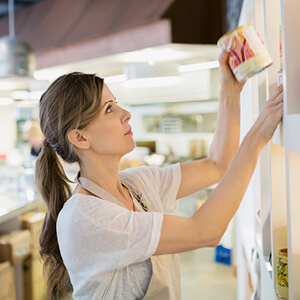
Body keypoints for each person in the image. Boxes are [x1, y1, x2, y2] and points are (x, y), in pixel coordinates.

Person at [35, 50, 283, 300]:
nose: (126, 113)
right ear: (80, 137)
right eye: (109, 109)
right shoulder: (84, 216)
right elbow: (205, 231)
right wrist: (257, 136)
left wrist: (230, 90)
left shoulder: (138, 183)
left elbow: (217, 164)